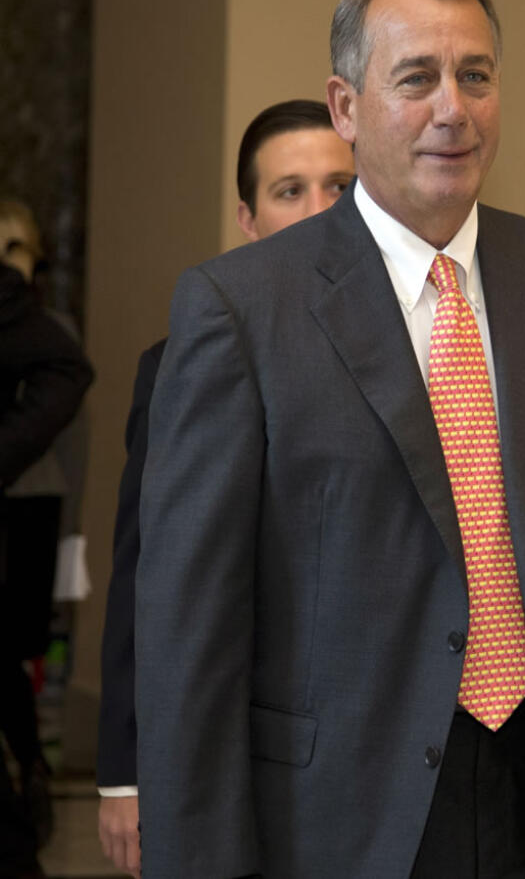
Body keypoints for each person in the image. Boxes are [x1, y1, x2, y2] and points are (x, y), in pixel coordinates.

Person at [134, 0, 525, 879]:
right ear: (346, 106)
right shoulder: (241, 309)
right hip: (339, 819)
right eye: (417, 79)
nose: (454, 108)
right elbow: (190, 631)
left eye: (475, 76)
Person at [95, 99, 354, 876]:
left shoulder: (432, 345)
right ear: (246, 217)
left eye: (340, 188)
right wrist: (125, 771)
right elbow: (149, 576)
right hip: (255, 753)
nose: (318, 212)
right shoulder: (186, 359)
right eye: (290, 190)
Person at [1, 199, 93, 879]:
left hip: (35, 512)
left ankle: (33, 764)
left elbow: (74, 445)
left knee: (21, 649)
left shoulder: (48, 331)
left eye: (15, 248)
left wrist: (72, 538)